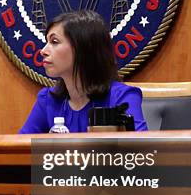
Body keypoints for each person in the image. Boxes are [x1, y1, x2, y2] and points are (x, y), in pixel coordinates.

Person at [19, 10, 148, 133]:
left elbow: (142, 151)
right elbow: (18, 149)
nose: (43, 51)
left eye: (54, 42)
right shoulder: (48, 99)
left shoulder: (122, 97)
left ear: (83, 49)